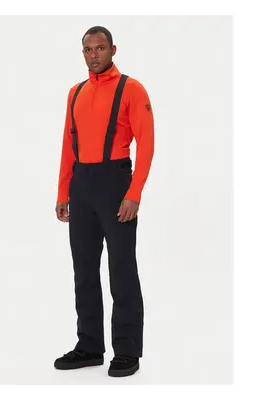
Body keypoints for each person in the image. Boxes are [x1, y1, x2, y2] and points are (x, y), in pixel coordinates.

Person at [54, 26, 154, 378]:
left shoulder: (131, 89)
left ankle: (126, 351)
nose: (93, 54)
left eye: (100, 48)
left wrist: (134, 193)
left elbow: (147, 143)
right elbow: (69, 145)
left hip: (115, 184)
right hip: (81, 185)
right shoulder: (76, 92)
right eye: (87, 49)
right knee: (83, 270)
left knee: (121, 269)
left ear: (113, 49)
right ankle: (89, 346)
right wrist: (63, 192)